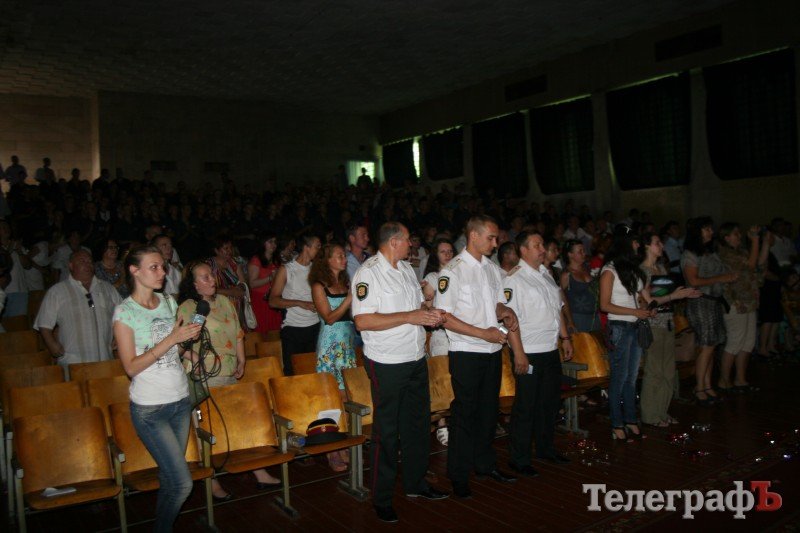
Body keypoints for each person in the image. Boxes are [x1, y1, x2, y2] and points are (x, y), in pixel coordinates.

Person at [352, 222, 449, 523]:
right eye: (408, 240)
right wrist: (411, 315)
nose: (412, 245)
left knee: (417, 426)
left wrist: (427, 310)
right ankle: (381, 498)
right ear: (394, 242)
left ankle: (416, 484)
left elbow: (413, 306)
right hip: (386, 362)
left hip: (414, 357)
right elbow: (363, 321)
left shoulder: (407, 269)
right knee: (387, 432)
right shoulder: (368, 273)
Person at [112, 246, 202, 532]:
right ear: (134, 270)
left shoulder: (167, 301)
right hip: (151, 409)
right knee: (182, 483)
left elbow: (174, 347)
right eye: (154, 267)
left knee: (170, 478)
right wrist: (173, 338)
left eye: (163, 266)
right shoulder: (124, 313)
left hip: (179, 400)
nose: (163, 272)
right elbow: (131, 367)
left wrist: (189, 350)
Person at [177, 261, 280, 499]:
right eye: (204, 278)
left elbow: (238, 333)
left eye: (211, 276)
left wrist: (242, 359)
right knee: (209, 429)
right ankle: (211, 480)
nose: (211, 280)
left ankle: (258, 470)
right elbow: (179, 344)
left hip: (228, 372)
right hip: (204, 376)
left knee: (237, 421)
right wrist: (198, 359)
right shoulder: (189, 307)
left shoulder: (224, 302)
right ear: (193, 285)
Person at [435, 215, 521, 498]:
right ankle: (458, 474)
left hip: (492, 349)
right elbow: (444, 318)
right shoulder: (453, 271)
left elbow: (494, 303)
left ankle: (485, 464)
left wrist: (504, 312)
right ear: (473, 236)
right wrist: (482, 333)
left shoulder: (492, 269)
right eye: (491, 238)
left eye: (496, 238)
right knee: (464, 414)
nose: (496, 243)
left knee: (488, 412)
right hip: (467, 351)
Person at [503, 231, 574, 474]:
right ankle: (519, 458)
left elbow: (557, 309)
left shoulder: (546, 274)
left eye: (542, 244)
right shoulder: (514, 279)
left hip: (550, 348)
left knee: (549, 403)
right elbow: (509, 320)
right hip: (529, 351)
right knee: (526, 407)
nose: (542, 249)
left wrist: (564, 337)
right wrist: (519, 353)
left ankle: (545, 448)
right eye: (537, 245)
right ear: (523, 250)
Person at [639, 233, 701, 427]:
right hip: (653, 324)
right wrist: (675, 295)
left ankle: (662, 412)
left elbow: (666, 296)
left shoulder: (661, 268)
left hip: (666, 321)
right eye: (657, 243)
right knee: (654, 371)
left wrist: (681, 294)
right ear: (646, 246)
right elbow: (645, 302)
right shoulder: (642, 271)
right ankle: (650, 415)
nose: (662, 247)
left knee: (668, 371)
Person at [599, 226, 654, 441]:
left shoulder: (632, 269)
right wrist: (636, 311)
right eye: (634, 242)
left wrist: (651, 306)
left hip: (634, 326)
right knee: (619, 378)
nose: (638, 245)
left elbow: (645, 296)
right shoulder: (609, 270)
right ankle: (616, 423)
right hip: (619, 327)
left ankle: (631, 420)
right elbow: (604, 305)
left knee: (631, 378)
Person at [34, 249, 121, 378]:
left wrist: (119, 335)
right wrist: (52, 344)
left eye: (90, 261)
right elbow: (44, 323)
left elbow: (124, 314)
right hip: (73, 361)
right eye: (82, 261)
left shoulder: (107, 288)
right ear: (71, 265)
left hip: (104, 359)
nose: (87, 264)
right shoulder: (57, 291)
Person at [308, 243, 356, 472]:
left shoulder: (346, 283)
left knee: (347, 397)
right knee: (331, 398)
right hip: (329, 346)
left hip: (347, 345)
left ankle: (342, 442)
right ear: (327, 260)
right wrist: (349, 299)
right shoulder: (319, 285)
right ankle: (331, 449)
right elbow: (328, 317)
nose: (343, 258)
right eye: (339, 255)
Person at [682, 217, 737, 406]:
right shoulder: (690, 254)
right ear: (697, 232)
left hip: (713, 302)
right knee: (706, 345)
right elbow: (694, 281)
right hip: (700, 302)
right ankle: (699, 387)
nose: (711, 232)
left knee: (712, 345)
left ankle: (706, 385)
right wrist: (722, 278)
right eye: (707, 229)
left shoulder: (710, 252)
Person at [716, 224, 770, 392]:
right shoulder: (725, 253)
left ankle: (740, 379)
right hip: (735, 302)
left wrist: (765, 243)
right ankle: (724, 381)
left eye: (739, 233)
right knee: (734, 342)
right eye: (735, 234)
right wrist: (754, 240)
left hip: (749, 300)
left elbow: (758, 264)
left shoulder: (741, 251)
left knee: (748, 343)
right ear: (726, 238)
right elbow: (751, 265)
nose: (739, 236)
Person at [269, 233, 321, 374]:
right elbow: (273, 301)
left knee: (312, 370)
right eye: (317, 246)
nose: (319, 250)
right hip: (293, 329)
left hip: (315, 327)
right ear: (306, 247)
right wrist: (300, 303)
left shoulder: (316, 269)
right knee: (293, 373)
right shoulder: (287, 269)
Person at [421, 238, 456, 445]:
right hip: (441, 334)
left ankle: (455, 420)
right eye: (443, 251)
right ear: (436, 255)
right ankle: (442, 423)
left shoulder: (460, 274)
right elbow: (427, 301)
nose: (448, 255)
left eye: (450, 251)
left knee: (456, 378)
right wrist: (427, 299)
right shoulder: (433, 277)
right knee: (441, 378)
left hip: (459, 334)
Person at [207, 233, 248, 330]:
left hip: (236, 306)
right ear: (216, 250)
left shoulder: (234, 263)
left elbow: (243, 283)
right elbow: (207, 288)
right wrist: (231, 292)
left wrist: (240, 288)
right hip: (218, 306)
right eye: (226, 248)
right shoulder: (209, 265)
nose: (230, 251)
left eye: (230, 248)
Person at [560, 239, 600, 333]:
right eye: (580, 251)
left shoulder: (588, 269)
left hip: (594, 316)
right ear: (570, 255)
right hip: (577, 317)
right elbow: (561, 299)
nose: (584, 253)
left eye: (584, 250)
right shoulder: (566, 275)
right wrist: (569, 321)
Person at [247, 232, 283, 333]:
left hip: (273, 297)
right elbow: (252, 284)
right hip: (261, 300)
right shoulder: (256, 260)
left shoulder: (276, 259)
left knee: (275, 329)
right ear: (263, 243)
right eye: (270, 242)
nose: (273, 244)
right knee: (263, 331)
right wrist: (270, 278)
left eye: (275, 242)